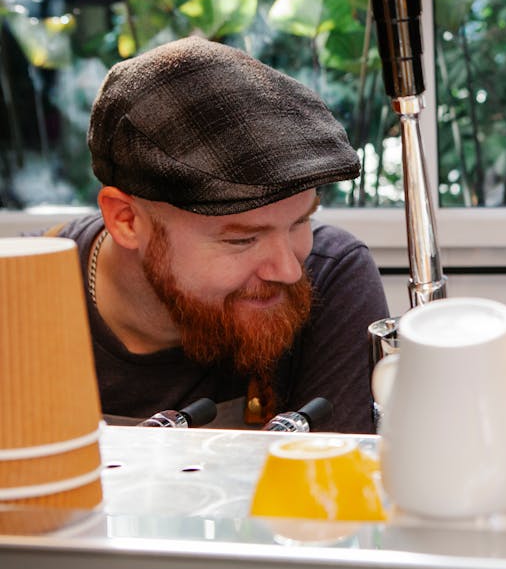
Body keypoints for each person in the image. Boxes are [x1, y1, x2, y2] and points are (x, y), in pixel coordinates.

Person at [48, 37, 389, 432]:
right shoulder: (19, 302)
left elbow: (334, 488)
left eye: (300, 222)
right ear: (126, 221)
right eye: (242, 239)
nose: (288, 271)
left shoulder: (331, 277)